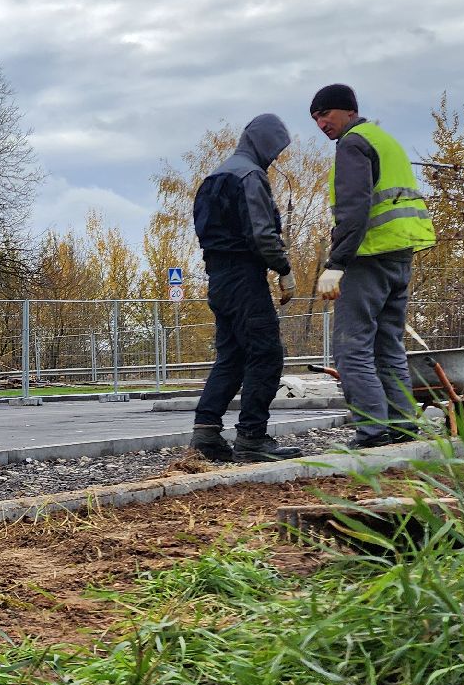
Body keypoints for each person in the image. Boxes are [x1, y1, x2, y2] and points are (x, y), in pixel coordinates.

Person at [310, 84, 438, 447]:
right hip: (400, 253)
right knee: (389, 345)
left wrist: (336, 263)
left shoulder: (352, 144)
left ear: (348, 111)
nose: (321, 124)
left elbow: (355, 209)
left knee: (352, 348)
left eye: (325, 114)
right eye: (316, 119)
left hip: (368, 257)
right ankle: (402, 425)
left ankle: (371, 430)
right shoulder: (385, 140)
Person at [188, 113, 300, 462]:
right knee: (266, 354)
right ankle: (252, 436)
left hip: (218, 278)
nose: (275, 157)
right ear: (263, 142)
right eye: (275, 148)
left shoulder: (213, 177)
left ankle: (206, 433)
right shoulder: (249, 176)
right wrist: (283, 268)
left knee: (232, 356)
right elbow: (261, 234)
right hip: (244, 278)